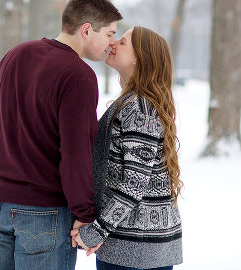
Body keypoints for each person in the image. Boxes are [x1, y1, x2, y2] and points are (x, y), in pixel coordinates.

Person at [0, 0, 122, 270]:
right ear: (87, 30)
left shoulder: (16, 54)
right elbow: (76, 153)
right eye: (110, 33)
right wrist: (85, 213)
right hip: (42, 212)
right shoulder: (78, 75)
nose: (112, 42)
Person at [71, 26, 184, 270]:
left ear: (139, 58)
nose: (113, 43)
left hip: (134, 250)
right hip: (136, 247)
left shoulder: (140, 108)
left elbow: (134, 183)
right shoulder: (135, 102)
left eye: (122, 42)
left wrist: (97, 231)